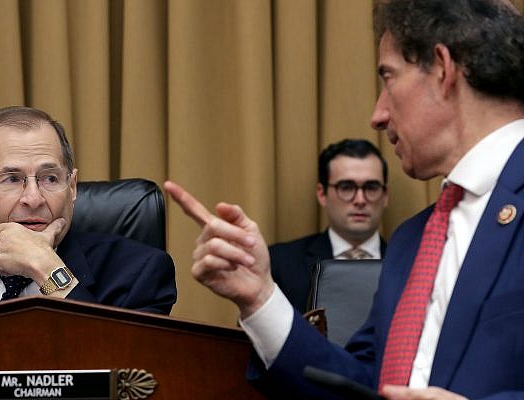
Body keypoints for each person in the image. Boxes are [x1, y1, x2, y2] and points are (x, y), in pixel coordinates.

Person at [164, 0, 524, 398]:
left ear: (441, 69)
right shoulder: (411, 242)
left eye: (388, 78)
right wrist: (260, 297)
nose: (378, 115)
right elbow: (356, 388)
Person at [0, 106, 177, 324]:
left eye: (50, 179)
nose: (33, 198)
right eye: (11, 179)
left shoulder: (139, 272)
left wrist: (47, 270)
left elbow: (127, 371)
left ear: (72, 188)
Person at [269, 139, 388, 314]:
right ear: (322, 194)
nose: (360, 200)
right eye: (346, 187)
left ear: (385, 195)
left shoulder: (412, 264)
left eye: (371, 187)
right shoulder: (280, 264)